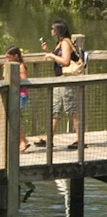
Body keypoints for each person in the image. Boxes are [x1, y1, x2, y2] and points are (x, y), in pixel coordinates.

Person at [37, 19, 84, 149]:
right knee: (55, 109)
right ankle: (49, 139)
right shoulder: (59, 43)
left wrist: (51, 56)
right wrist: (48, 51)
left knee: (72, 110)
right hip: (59, 80)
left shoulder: (65, 43)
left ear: (58, 31)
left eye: (53, 29)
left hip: (66, 80)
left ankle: (80, 140)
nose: (51, 31)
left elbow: (65, 61)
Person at [5, 46, 30, 152]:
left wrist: (15, 76)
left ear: (16, 56)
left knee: (15, 118)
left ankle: (23, 141)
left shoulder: (21, 66)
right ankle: (23, 140)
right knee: (13, 118)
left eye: (9, 57)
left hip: (21, 95)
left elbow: (23, 80)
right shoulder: (9, 65)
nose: (8, 59)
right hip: (13, 94)